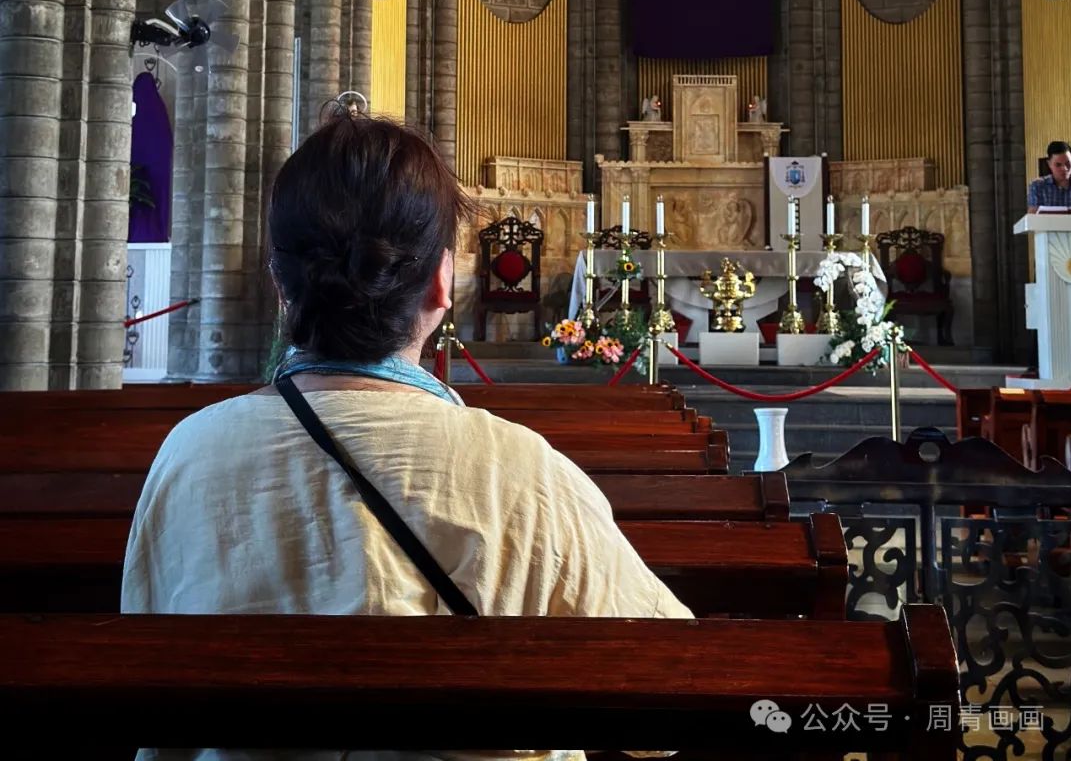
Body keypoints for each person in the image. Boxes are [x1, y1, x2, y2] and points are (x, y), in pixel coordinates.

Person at [122, 114, 692, 761]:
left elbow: (149, 701)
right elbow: (669, 699)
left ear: (281, 283)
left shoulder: (188, 456)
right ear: (442, 282)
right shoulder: (526, 475)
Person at [1027, 140, 1071, 212]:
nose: (1064, 168)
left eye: (1068, 163)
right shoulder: (1038, 186)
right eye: (1058, 165)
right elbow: (1033, 218)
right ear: (1049, 164)